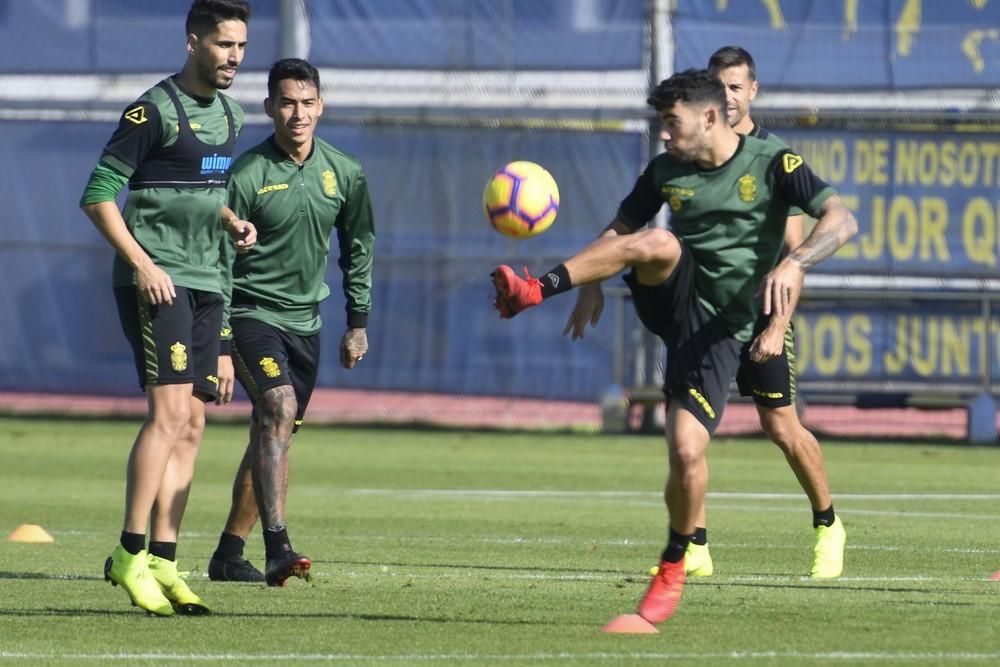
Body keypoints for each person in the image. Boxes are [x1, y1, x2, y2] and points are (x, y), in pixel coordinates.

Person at [491, 69, 858, 624]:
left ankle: (808, 528)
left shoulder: (773, 161)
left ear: (709, 117)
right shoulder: (665, 170)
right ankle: (533, 289)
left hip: (740, 323)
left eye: (671, 121)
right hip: (681, 301)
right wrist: (589, 284)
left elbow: (842, 219)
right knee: (660, 240)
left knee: (716, 444)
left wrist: (795, 263)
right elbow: (620, 229)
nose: (663, 133)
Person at [79, 0, 255, 616]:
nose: (233, 57)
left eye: (240, 46)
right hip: (159, 283)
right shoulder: (151, 110)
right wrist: (144, 264)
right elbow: (98, 196)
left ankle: (163, 560)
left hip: (209, 284)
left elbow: (204, 197)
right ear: (192, 42)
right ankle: (128, 552)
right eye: (223, 44)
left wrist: (231, 220)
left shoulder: (232, 117)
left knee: (196, 422)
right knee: (168, 415)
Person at [657, 45, 845, 580]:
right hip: (703, 321)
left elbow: (792, 256)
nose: (728, 96)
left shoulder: (771, 158)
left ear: (752, 91)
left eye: (736, 87)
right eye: (719, 87)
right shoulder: (692, 153)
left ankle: (827, 523)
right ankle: (693, 543)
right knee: (688, 435)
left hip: (763, 317)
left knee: (782, 428)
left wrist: (778, 325)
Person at [206, 58, 375, 586]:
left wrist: (357, 322)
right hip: (252, 314)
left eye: (306, 102)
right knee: (277, 408)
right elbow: (218, 259)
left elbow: (360, 247)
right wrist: (223, 343)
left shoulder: (344, 172)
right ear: (269, 108)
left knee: (272, 431)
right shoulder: (247, 173)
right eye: (286, 102)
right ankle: (279, 546)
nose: (297, 113)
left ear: (320, 106)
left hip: (308, 324)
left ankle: (229, 554)